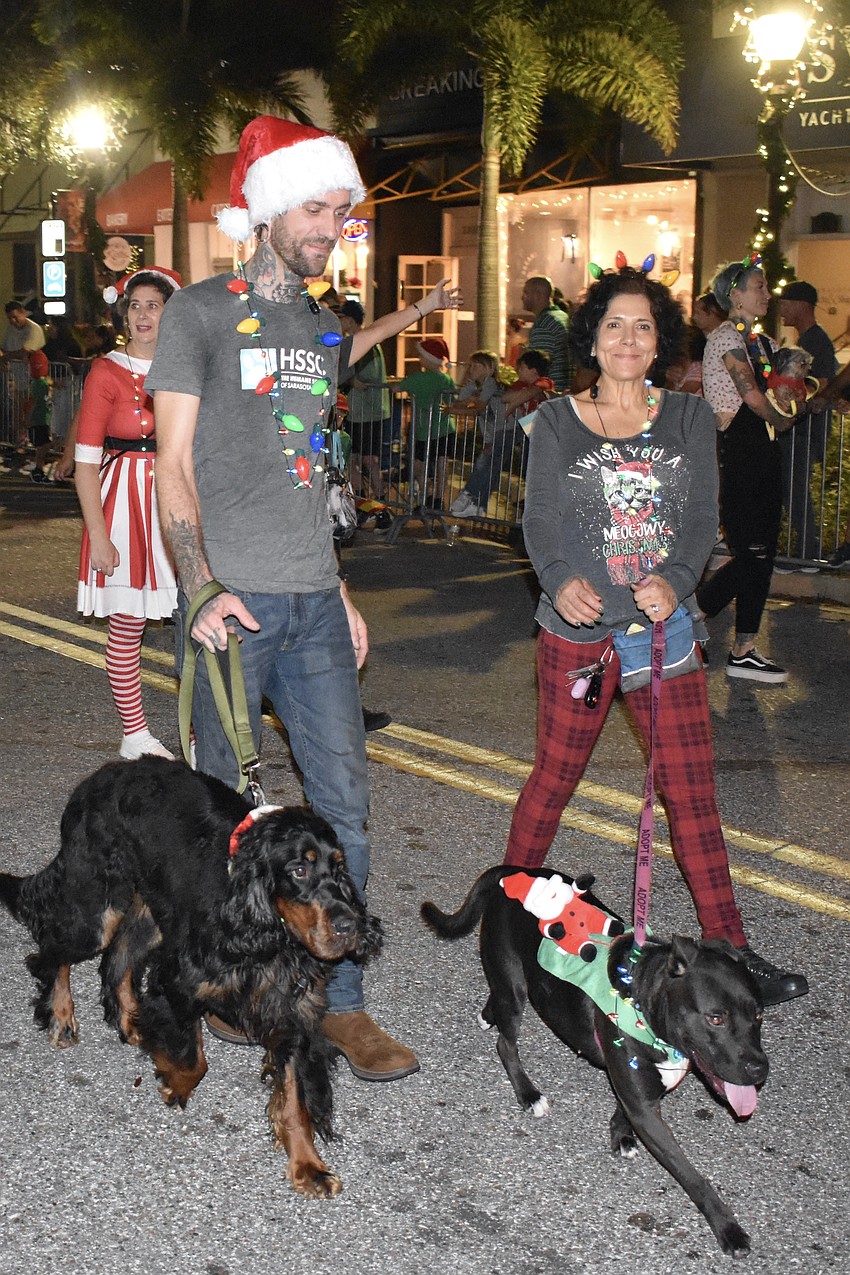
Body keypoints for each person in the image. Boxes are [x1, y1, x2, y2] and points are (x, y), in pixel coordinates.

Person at [148, 116, 460, 1080]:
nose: (335, 226)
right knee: (223, 823)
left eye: (342, 210)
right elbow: (173, 468)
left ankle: (341, 1004)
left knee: (346, 814)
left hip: (316, 604)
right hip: (228, 609)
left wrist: (344, 587)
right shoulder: (198, 315)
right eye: (319, 208)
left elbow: (311, 476)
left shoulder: (323, 328)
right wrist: (198, 586)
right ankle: (231, 981)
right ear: (271, 208)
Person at [501, 261, 807, 1008]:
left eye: (643, 325)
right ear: (593, 340)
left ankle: (730, 949)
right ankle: (508, 917)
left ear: (659, 337)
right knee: (554, 779)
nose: (629, 338)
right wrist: (557, 575)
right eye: (614, 325)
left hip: (663, 634)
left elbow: (703, 516)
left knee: (692, 797)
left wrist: (676, 575)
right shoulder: (555, 421)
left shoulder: (689, 416)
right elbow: (538, 516)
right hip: (578, 633)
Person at [74, 267, 183, 760]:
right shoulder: (106, 371)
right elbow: (84, 465)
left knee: (197, 622)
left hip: (177, 497)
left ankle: (200, 734)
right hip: (123, 505)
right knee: (127, 625)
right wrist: (99, 535)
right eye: (135, 305)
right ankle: (135, 734)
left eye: (153, 306)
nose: (143, 314)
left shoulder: (186, 368)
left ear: (169, 313)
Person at [695, 256, 814, 684]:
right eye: (759, 286)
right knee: (751, 553)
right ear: (735, 294)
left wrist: (795, 382)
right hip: (741, 447)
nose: (767, 294)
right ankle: (689, 620)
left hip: (763, 449)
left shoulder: (760, 340)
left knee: (762, 553)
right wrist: (783, 418)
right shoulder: (727, 337)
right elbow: (750, 394)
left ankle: (744, 649)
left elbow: (780, 390)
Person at [777, 280, 838, 562]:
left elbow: (823, 382)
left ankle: (806, 553)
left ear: (801, 305)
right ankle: (801, 551)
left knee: (795, 488)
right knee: (792, 488)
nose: (781, 308)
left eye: (785, 302)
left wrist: (797, 400)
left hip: (807, 429)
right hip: (804, 428)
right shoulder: (810, 339)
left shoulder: (815, 341)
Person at [337, 299, 390, 504]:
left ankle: (379, 501)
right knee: (355, 459)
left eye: (342, 318)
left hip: (367, 412)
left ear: (350, 320)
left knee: (367, 460)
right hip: (361, 412)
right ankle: (364, 501)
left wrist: (347, 377)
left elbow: (363, 381)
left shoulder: (362, 344)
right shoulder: (361, 342)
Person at [396, 336, 457, 510]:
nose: (419, 358)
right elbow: (453, 398)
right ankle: (438, 498)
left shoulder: (417, 378)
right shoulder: (446, 379)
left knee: (418, 464)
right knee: (441, 464)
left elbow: (398, 388)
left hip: (424, 430)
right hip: (446, 427)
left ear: (429, 359)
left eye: (422, 355)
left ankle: (425, 494)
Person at [666, 292, 727, 396]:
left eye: (698, 313)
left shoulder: (725, 341)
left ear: (714, 313)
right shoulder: (695, 340)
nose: (694, 317)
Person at [521, 276, 573, 393]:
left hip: (550, 394)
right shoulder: (562, 316)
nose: (522, 297)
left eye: (525, 292)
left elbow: (536, 370)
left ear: (537, 295)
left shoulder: (544, 325)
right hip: (564, 392)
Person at [26, 350, 52, 483]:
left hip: (42, 419)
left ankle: (38, 468)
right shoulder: (38, 383)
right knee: (42, 446)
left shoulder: (40, 382)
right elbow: (33, 401)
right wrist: (28, 419)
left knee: (44, 445)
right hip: (38, 419)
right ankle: (38, 470)